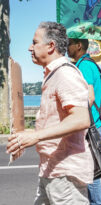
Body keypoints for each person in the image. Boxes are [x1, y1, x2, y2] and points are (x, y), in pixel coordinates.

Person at [6, 22, 93, 204]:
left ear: (51, 46)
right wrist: (26, 136)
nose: (30, 47)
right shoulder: (52, 75)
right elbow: (55, 123)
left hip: (65, 174)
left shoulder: (65, 74)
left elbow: (81, 118)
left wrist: (36, 136)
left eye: (35, 42)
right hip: (51, 171)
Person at [68, 38, 101, 205]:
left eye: (69, 43)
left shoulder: (84, 66)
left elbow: (88, 97)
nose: (67, 47)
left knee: (91, 172)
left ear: (78, 46)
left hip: (90, 125)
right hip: (94, 123)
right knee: (90, 170)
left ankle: (97, 203)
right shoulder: (89, 64)